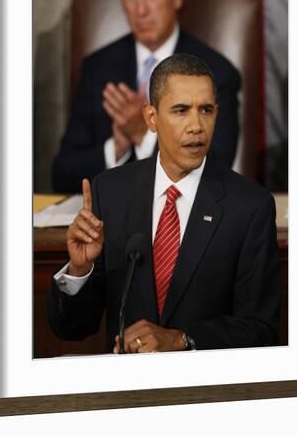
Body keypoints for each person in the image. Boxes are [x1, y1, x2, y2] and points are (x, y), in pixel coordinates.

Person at [49, 54, 280, 353]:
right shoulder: (110, 192)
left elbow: (261, 330)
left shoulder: (250, 207)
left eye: (206, 110)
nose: (196, 126)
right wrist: (79, 270)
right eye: (181, 110)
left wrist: (181, 339)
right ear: (151, 118)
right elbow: (73, 328)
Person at [52, 0, 241, 193]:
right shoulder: (98, 67)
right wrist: (118, 146)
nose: (141, 10)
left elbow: (216, 169)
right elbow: (62, 174)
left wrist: (145, 134)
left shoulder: (216, 72)